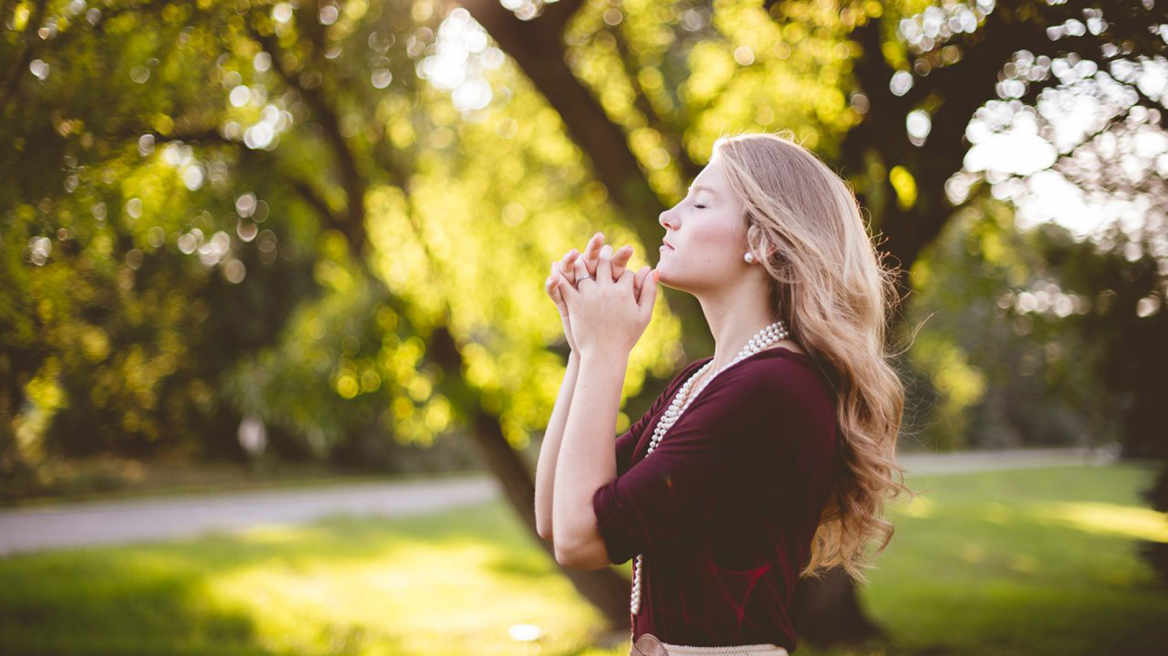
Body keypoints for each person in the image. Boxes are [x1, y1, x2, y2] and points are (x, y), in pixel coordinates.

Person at [534, 131, 911, 654]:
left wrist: (607, 354)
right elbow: (556, 517)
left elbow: (582, 542)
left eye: (700, 201)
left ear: (764, 241)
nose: (670, 214)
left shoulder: (771, 390)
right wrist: (583, 348)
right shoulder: (705, 379)